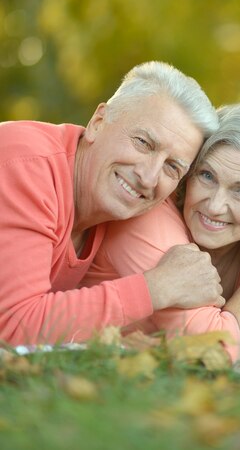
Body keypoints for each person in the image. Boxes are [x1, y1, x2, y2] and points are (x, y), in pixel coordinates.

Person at [0, 61, 226, 346]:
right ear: (98, 123)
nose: (148, 177)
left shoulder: (105, 207)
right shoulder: (26, 165)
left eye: (172, 167)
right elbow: (13, 325)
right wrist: (157, 287)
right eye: (143, 142)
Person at [83, 99, 240, 362]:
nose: (214, 205)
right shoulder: (146, 218)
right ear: (189, 173)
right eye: (207, 176)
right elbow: (215, 349)